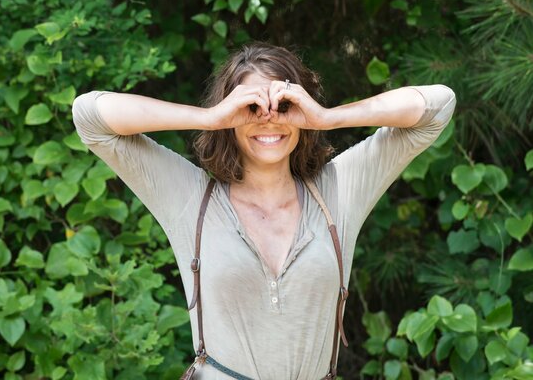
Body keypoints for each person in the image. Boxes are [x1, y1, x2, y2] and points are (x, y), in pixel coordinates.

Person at [71, 41, 457, 379]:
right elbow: (90, 116)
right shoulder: (191, 197)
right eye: (251, 107)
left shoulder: (340, 190)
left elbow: (438, 106)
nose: (268, 118)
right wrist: (211, 117)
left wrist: (326, 117)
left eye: (283, 105)